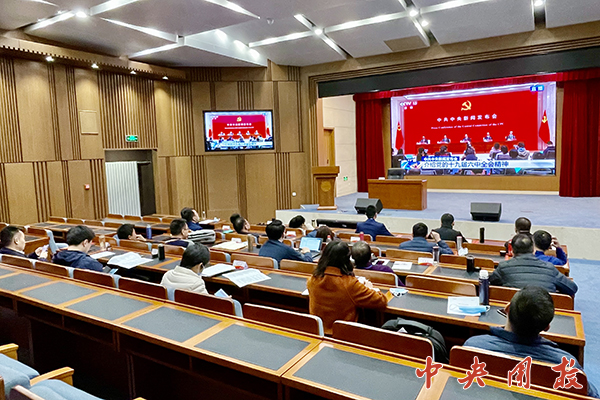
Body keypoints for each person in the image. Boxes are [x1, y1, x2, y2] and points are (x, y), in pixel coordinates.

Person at [464, 286, 598, 398]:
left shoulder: (472, 347)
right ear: (547, 327)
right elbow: (591, 396)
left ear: (507, 309)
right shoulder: (568, 366)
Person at [307, 240, 389, 334]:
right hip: (343, 335)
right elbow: (381, 301)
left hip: (318, 332)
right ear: (347, 260)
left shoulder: (312, 280)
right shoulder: (349, 284)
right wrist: (369, 287)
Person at [490, 234, 577, 296]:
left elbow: (490, 283)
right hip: (543, 313)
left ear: (512, 251)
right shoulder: (550, 268)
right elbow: (572, 288)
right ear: (532, 249)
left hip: (513, 312)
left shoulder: (503, 267)